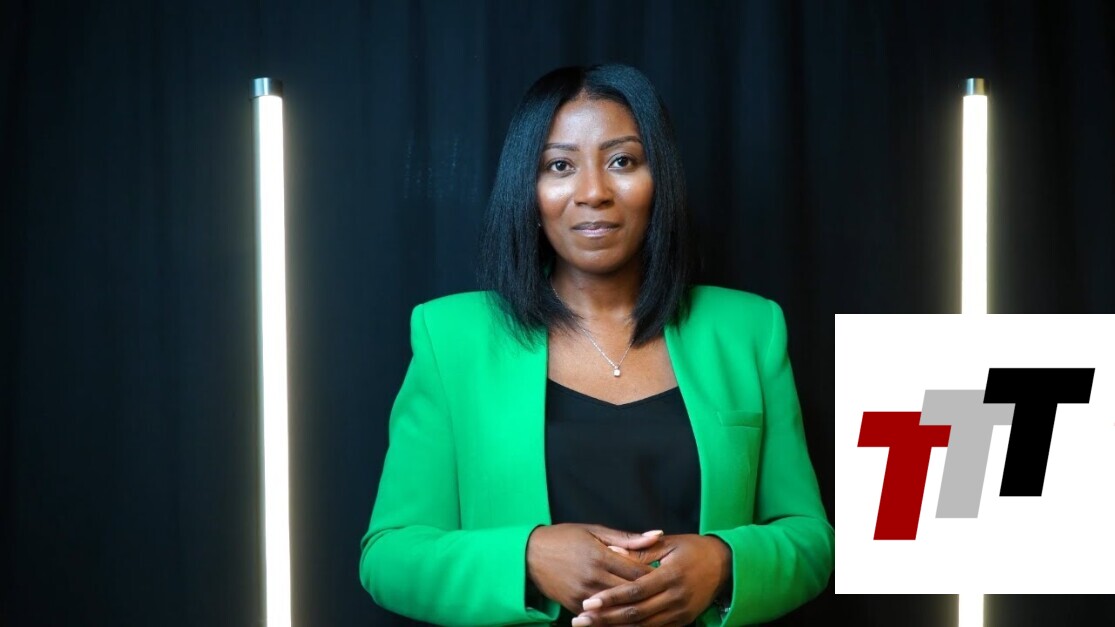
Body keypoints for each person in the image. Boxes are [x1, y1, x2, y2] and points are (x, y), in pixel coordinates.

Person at [359, 63, 833, 627]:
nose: (593, 193)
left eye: (622, 162)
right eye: (560, 166)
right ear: (528, 189)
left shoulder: (748, 328)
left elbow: (810, 540)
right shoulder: (452, 336)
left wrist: (724, 563)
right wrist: (528, 558)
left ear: (660, 179)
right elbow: (388, 555)